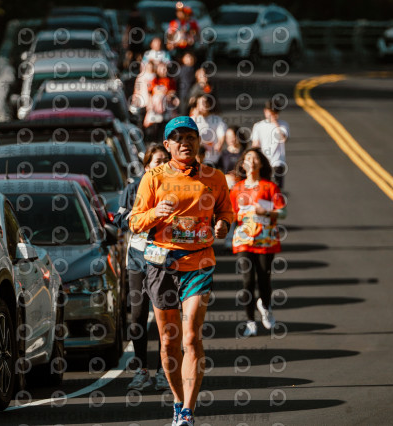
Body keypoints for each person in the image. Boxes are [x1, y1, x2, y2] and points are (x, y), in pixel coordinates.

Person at [130, 117, 234, 426]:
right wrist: (155, 213)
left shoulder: (214, 177)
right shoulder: (153, 177)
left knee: (190, 337)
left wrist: (223, 224)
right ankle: (177, 401)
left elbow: (225, 210)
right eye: (178, 138)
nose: (185, 143)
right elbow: (135, 222)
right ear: (167, 145)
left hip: (198, 262)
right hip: (162, 264)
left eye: (190, 137)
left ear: (199, 141)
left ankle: (188, 410)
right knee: (169, 341)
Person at [113, 144, 171, 391]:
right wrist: (139, 218)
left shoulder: (175, 186)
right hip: (137, 257)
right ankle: (141, 369)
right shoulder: (133, 188)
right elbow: (118, 218)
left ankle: (163, 371)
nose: (162, 165)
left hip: (165, 258)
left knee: (163, 316)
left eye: (165, 160)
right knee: (137, 314)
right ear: (147, 166)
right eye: (157, 161)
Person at [229, 148, 287, 337]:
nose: (252, 162)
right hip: (244, 240)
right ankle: (250, 321)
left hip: (265, 239)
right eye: (248, 158)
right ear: (243, 164)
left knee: (264, 278)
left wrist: (267, 212)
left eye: (255, 159)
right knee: (247, 280)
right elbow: (229, 213)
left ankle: (266, 306)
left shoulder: (269, 187)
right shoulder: (237, 189)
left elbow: (283, 212)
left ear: (261, 164)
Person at [251, 100, 289, 189]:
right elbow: (255, 145)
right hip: (263, 163)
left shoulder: (283, 125)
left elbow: (283, 138)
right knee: (262, 189)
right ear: (265, 111)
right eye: (270, 112)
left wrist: (276, 124)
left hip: (277, 163)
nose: (271, 115)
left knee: (276, 189)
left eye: (274, 113)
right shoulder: (258, 126)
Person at [190, 94, 227, 167]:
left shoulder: (216, 119)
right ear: (197, 106)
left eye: (206, 102)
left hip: (213, 158)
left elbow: (221, 132)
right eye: (202, 103)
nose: (205, 105)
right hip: (197, 159)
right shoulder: (192, 120)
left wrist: (220, 143)